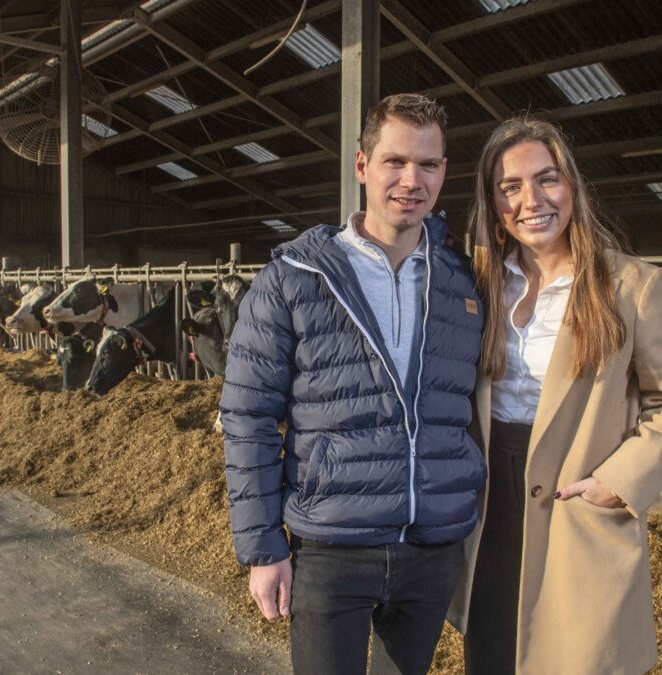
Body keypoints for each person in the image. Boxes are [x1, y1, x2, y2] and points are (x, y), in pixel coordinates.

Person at [220, 93, 486, 674]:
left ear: (445, 172)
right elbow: (249, 417)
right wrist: (263, 549)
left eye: (429, 165)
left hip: (432, 547)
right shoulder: (294, 278)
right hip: (331, 549)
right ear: (362, 165)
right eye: (394, 161)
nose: (411, 180)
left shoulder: (463, 282)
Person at [446, 116, 662, 674]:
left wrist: (620, 480)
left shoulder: (632, 286)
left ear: (573, 187)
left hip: (576, 498)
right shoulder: (480, 283)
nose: (531, 200)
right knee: (491, 653)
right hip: (489, 502)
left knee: (573, 656)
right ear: (492, 202)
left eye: (548, 179)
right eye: (509, 187)